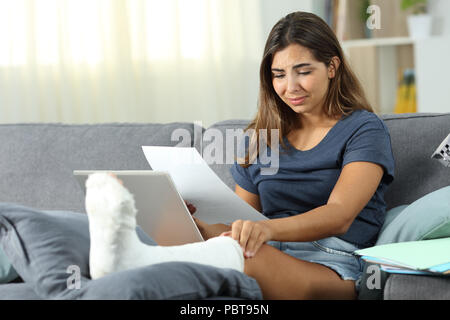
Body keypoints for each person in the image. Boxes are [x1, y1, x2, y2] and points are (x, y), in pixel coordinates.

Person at [86, 11, 394, 300]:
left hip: (333, 264)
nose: (290, 87)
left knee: (242, 253)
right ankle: (129, 256)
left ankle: (131, 260)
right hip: (265, 249)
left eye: (303, 71)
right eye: (279, 75)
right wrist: (196, 225)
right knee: (216, 240)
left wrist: (266, 229)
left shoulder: (364, 129)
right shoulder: (264, 139)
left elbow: (339, 215)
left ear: (332, 67)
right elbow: (241, 224)